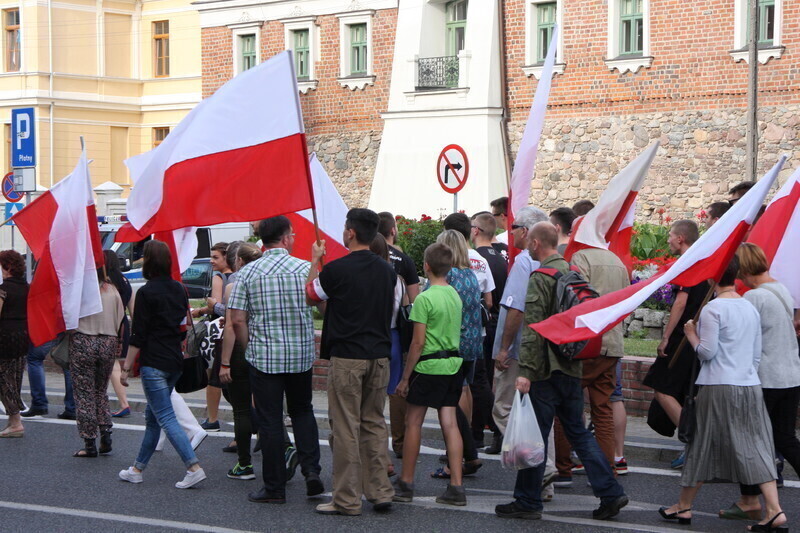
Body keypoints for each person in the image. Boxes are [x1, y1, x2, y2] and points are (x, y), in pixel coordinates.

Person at [495, 222, 628, 521]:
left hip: (545, 371)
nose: (527, 244)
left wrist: (525, 371)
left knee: (535, 437)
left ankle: (527, 501)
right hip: (571, 366)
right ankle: (611, 492)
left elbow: (532, 330)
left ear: (536, 244)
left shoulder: (540, 277)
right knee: (579, 433)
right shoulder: (572, 274)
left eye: (529, 240)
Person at [659, 256, 788, 532]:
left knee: (701, 444)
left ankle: (684, 506)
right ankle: (774, 510)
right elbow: (755, 355)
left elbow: (707, 352)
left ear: (711, 278)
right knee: (756, 445)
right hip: (749, 385)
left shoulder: (713, 309)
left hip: (718, 386)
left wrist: (691, 333)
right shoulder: (749, 305)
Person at [306, 208, 396, 516]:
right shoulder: (388, 271)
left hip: (347, 356)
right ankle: (380, 491)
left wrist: (316, 260)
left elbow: (310, 295)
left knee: (345, 428)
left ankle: (346, 498)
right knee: (374, 423)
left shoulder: (337, 269)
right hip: (379, 356)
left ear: (351, 233)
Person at [229, 219, 323, 503]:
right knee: (303, 412)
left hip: (265, 357)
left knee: (270, 422)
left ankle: (274, 487)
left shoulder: (248, 273)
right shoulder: (304, 269)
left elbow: (237, 319)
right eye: (292, 235)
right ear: (285, 239)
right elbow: (321, 306)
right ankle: (311, 471)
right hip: (300, 356)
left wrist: (249, 349)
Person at [718, 243, 800, 522]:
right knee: (785, 439)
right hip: (790, 375)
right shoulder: (780, 289)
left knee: (749, 440)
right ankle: (749, 500)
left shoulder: (754, 297)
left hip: (765, 379)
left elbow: (741, 340)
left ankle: (750, 501)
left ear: (742, 268)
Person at [119, 240, 206, 489]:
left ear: (148, 262)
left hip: (154, 361)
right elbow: (183, 327)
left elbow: (139, 334)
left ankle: (193, 466)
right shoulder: (179, 289)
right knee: (152, 417)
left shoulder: (145, 292)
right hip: (175, 361)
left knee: (165, 416)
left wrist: (126, 368)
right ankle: (137, 469)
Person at [393, 242, 466, 506]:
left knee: (413, 422)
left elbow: (417, 343)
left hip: (428, 367)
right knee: (450, 423)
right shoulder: (454, 295)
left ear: (426, 266)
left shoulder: (424, 299)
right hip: (453, 365)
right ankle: (456, 486)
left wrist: (404, 377)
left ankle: (406, 482)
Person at [555, 244, 629, 476]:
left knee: (565, 405)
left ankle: (563, 468)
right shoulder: (617, 260)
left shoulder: (581, 258)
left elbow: (576, 299)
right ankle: (607, 469)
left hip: (587, 342)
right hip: (612, 343)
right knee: (603, 409)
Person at [642, 220, 710, 469]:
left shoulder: (689, 262)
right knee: (682, 392)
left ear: (681, 238)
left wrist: (666, 336)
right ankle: (693, 443)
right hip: (696, 336)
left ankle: (695, 443)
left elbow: (681, 303)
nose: (668, 239)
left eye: (670, 235)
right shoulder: (703, 260)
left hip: (682, 338)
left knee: (662, 389)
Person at [432, 229, 484, 478]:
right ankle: (468, 446)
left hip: (454, 343)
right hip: (474, 341)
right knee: (466, 390)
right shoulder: (470, 275)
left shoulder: (449, 275)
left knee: (451, 400)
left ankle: (460, 450)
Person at [69, 264, 125, 457]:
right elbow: (120, 318)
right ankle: (106, 432)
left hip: (84, 339)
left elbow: (68, 316)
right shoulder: (112, 289)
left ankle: (89, 442)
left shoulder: (80, 289)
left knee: (84, 393)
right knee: (101, 390)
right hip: (108, 340)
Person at [377, 211, 419, 459]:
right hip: (394, 332)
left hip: (369, 334)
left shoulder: (367, 258)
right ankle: (400, 443)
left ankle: (373, 444)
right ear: (393, 230)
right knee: (395, 387)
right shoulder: (403, 260)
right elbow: (413, 302)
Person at [369, 233, 407, 477]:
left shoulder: (370, 276)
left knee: (373, 403)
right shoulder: (398, 278)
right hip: (394, 336)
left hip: (374, 336)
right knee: (394, 392)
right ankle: (400, 442)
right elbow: (403, 308)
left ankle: (381, 455)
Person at [469, 212, 507, 448]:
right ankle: (484, 431)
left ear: (476, 230)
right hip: (497, 322)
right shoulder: (501, 257)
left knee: (477, 382)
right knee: (485, 380)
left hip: (482, 323)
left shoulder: (476, 258)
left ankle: (490, 429)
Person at [194, 241, 233, 433]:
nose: (211, 261)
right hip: (233, 330)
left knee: (212, 375)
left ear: (227, 257)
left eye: (215, 257)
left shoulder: (219, 277)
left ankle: (212, 418)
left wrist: (200, 310)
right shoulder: (238, 275)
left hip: (218, 330)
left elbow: (213, 305)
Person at [0, 250, 29, 438]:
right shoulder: (27, 287)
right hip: (23, 334)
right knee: (15, 377)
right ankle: (12, 421)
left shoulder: (3, 289)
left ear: (8, 267)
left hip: (5, 336)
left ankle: (16, 420)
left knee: (3, 378)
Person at [104, 251, 135, 419]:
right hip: (122, 323)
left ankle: (124, 403)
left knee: (112, 365)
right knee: (113, 363)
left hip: (108, 323)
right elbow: (133, 309)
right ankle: (123, 403)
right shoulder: (125, 280)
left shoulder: (106, 282)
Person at [21, 336, 77, 420]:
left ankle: (39, 403)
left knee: (34, 359)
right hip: (67, 328)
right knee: (67, 362)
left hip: (48, 328)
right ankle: (72, 408)